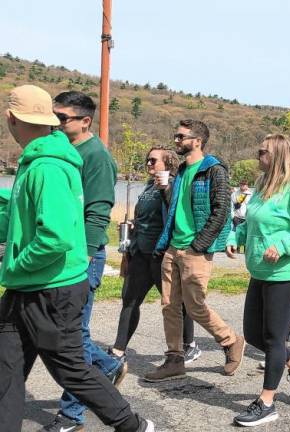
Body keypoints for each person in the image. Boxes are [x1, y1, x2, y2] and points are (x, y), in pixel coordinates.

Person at [0, 84, 154, 432]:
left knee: (70, 368)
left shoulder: (47, 166)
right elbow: (21, 221)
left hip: (52, 287)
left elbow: (54, 237)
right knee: (6, 368)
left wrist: (14, 266)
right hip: (28, 286)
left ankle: (133, 426)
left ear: (10, 117)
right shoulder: (36, 160)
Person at [226, 134, 290, 426]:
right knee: (253, 334)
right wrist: (237, 236)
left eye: (262, 152)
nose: (258, 156)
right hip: (259, 270)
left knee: (273, 338)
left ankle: (267, 402)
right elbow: (252, 220)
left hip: (286, 272)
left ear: (278, 155)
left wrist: (283, 246)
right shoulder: (262, 185)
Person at [145, 119, 245, 382]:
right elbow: (176, 208)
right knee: (169, 306)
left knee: (195, 306)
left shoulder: (214, 170)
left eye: (181, 136)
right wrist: (165, 189)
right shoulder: (179, 171)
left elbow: (222, 210)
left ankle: (231, 340)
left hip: (195, 250)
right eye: (176, 136)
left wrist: (200, 245)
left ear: (197, 141)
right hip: (173, 246)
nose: (176, 140)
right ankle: (175, 359)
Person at [51, 91, 126, 429]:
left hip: (84, 256)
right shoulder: (64, 149)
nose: (56, 123)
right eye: (54, 116)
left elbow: (97, 214)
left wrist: (82, 260)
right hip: (65, 255)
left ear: (85, 121)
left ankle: (72, 413)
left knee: (73, 337)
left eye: (63, 118)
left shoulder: (96, 156)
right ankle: (107, 367)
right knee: (66, 335)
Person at [110, 147, 199, 364]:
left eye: (153, 160)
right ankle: (118, 350)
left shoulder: (174, 185)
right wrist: (132, 225)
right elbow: (147, 215)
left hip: (161, 254)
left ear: (168, 164)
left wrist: (166, 188)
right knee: (130, 300)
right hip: (140, 252)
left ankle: (190, 345)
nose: (148, 164)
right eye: (147, 160)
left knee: (174, 303)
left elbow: (175, 214)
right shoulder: (149, 186)